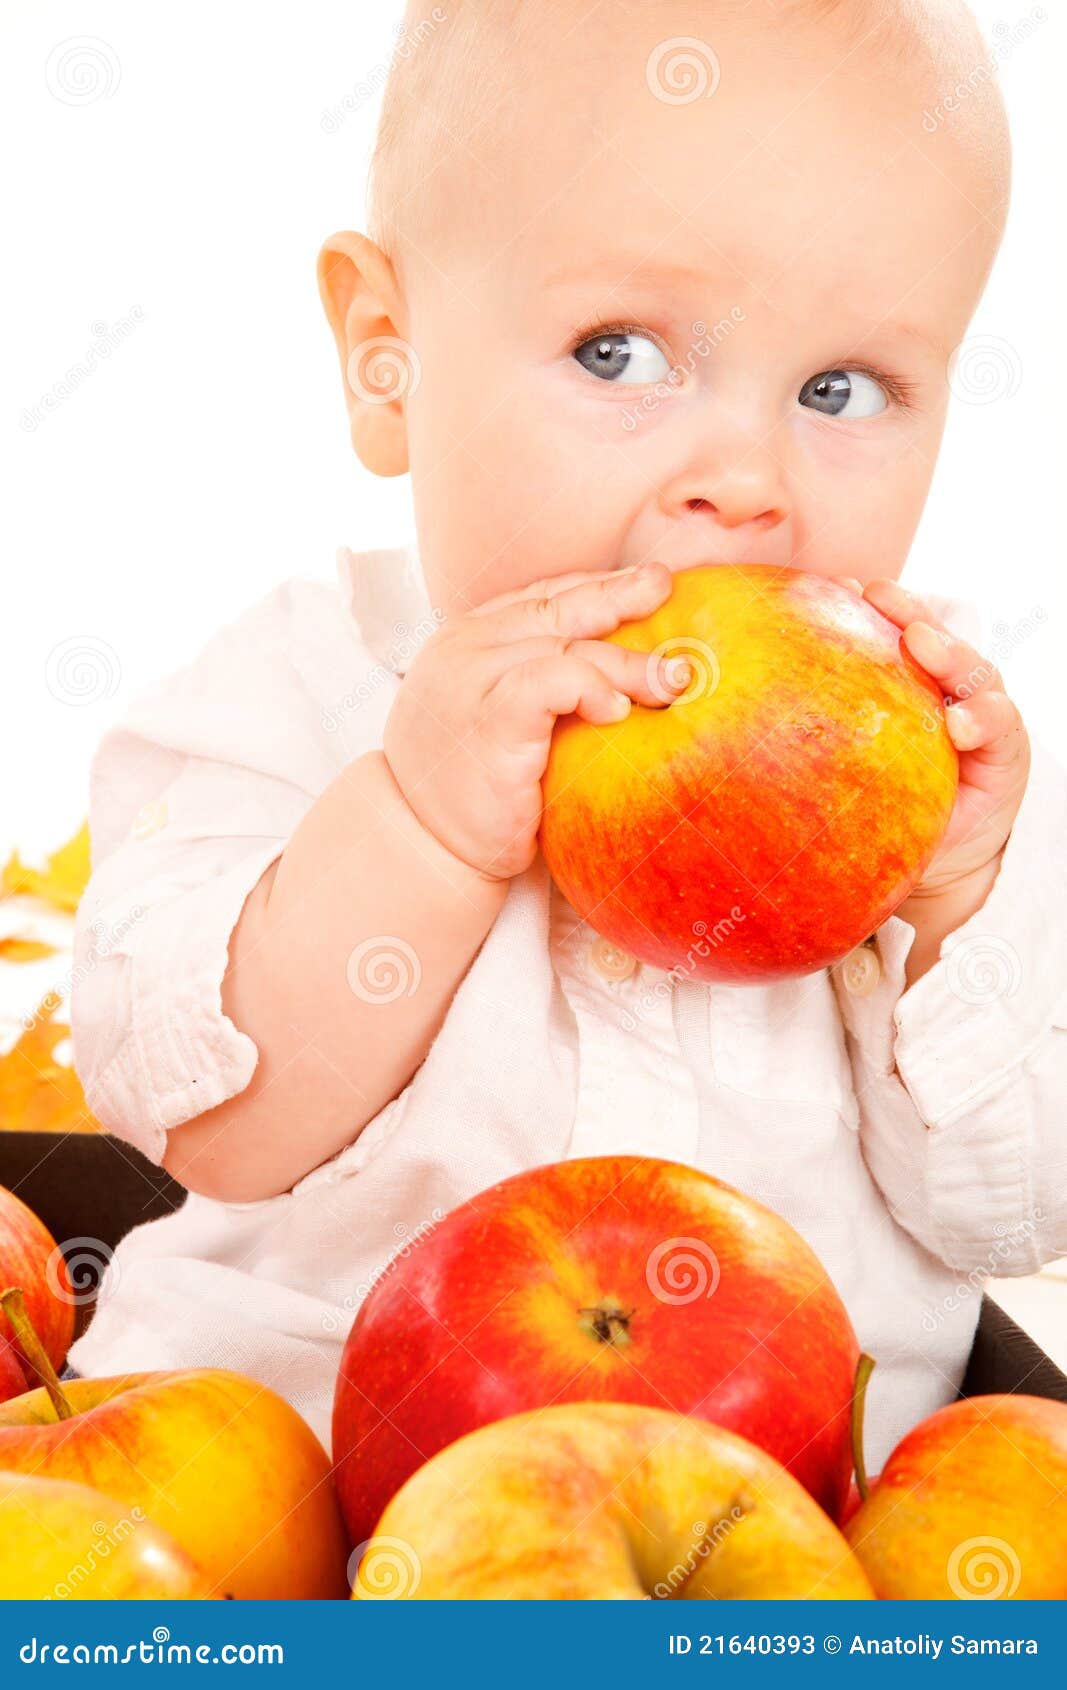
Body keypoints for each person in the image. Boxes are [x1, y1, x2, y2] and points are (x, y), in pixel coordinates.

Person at [68, 0, 1065, 1468]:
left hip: (770, 1549)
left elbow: (1016, 1207)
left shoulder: (942, 760)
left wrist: (956, 907)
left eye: (841, 390)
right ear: (385, 352)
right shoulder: (290, 690)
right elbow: (198, 1111)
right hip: (282, 1522)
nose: (745, 477)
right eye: (620, 352)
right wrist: (413, 826)